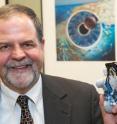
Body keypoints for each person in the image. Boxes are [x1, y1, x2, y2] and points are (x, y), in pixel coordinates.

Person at [0, 4, 116, 124]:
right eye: (5, 46)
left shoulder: (85, 99)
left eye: (27, 44)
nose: (18, 55)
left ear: (42, 46)